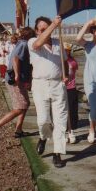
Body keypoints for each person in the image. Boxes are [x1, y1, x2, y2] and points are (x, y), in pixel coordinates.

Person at [28, 15, 68, 168]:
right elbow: (39, 43)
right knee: (43, 120)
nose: (46, 32)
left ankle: (57, 153)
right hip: (40, 85)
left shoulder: (59, 43)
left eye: (48, 28)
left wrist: (67, 75)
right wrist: (54, 25)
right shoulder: (32, 42)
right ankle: (43, 136)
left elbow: (65, 61)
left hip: (58, 84)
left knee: (60, 121)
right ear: (37, 31)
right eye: (42, 30)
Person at [0, 27, 34, 142]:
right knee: (20, 107)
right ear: (30, 36)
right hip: (15, 79)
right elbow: (15, 59)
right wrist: (18, 75)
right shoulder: (24, 45)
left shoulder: (20, 43)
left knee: (25, 104)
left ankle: (18, 130)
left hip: (16, 78)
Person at [64, 42, 78, 144]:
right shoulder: (59, 60)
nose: (66, 51)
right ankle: (64, 132)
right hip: (61, 88)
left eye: (67, 50)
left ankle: (71, 131)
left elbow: (74, 72)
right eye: (64, 50)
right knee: (63, 110)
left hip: (71, 87)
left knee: (72, 110)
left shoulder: (73, 61)